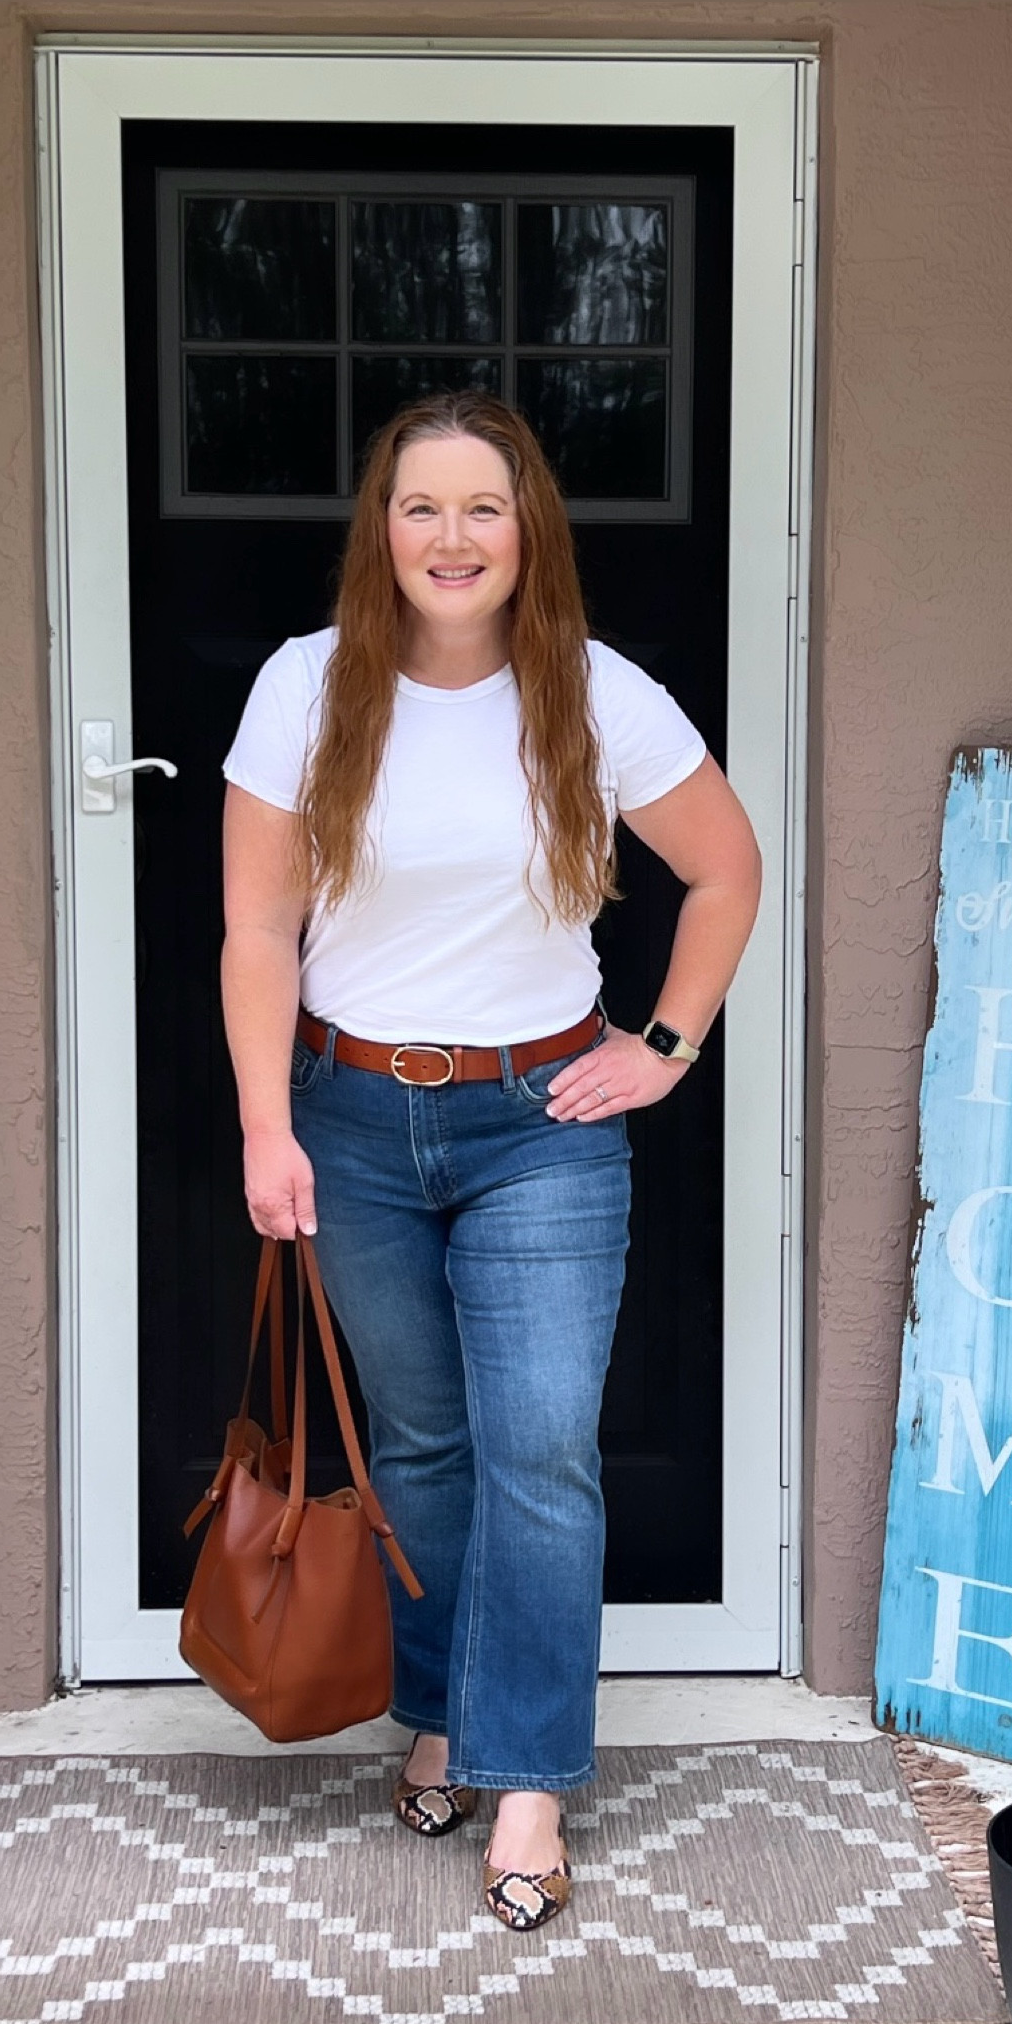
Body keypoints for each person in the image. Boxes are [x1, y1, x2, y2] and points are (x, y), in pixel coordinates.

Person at [219, 390, 762, 1932]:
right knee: (428, 1447)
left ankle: (527, 1779)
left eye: (481, 508)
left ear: (528, 534)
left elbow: (726, 869)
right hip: (349, 1113)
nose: (450, 537)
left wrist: (660, 1047)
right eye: (419, 507)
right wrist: (266, 1121)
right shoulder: (307, 687)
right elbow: (259, 927)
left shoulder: (596, 695)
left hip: (544, 1124)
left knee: (539, 1445)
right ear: (378, 532)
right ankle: (444, 1706)